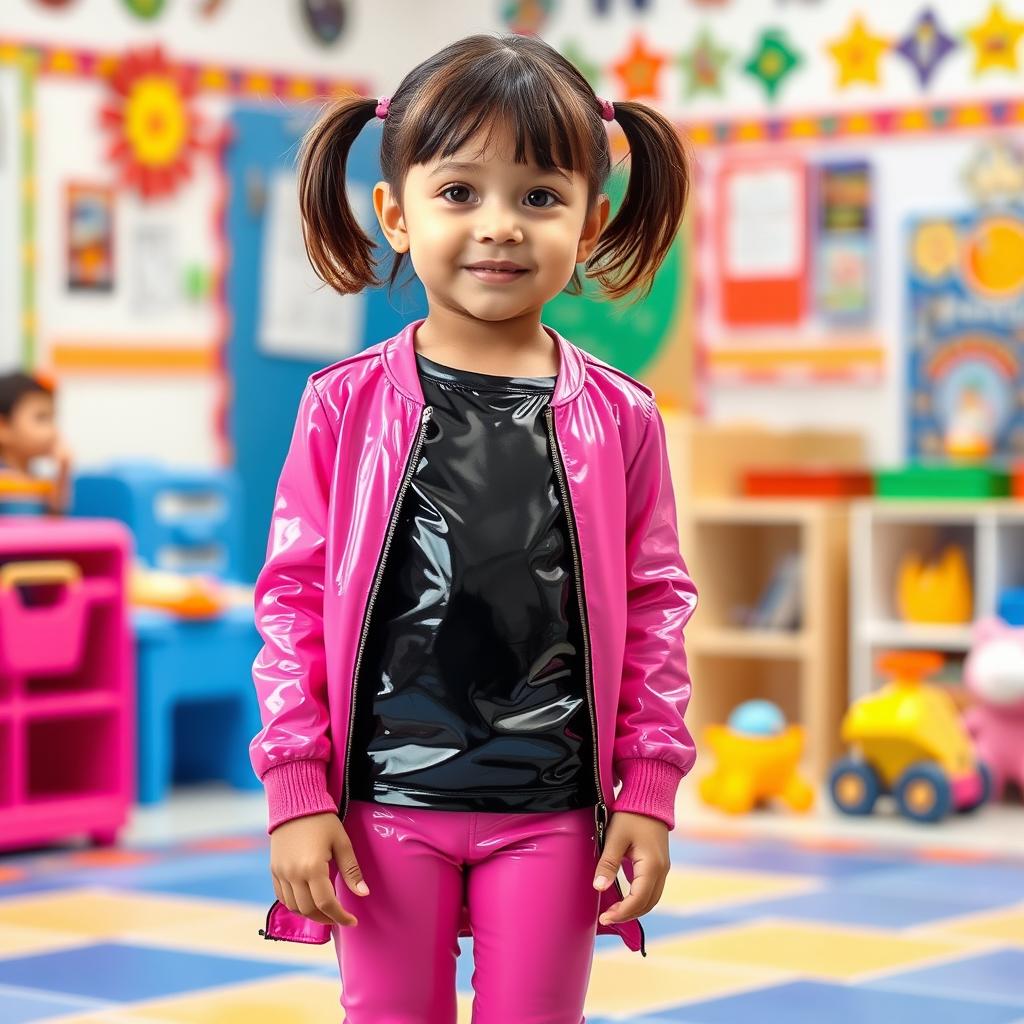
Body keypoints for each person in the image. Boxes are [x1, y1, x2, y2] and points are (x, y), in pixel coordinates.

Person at [250, 31, 697, 1023]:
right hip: (382, 806)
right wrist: (298, 791)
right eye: (460, 192)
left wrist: (648, 790)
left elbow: (659, 606)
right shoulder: (342, 404)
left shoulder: (620, 416)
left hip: (550, 810)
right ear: (394, 213)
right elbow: (289, 602)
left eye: (539, 196)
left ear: (590, 222)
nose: (499, 225)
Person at [0, 371, 72, 514]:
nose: (53, 430)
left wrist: (64, 470)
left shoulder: (40, 480)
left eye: (52, 419)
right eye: (41, 418)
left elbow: (55, 522)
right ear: (3, 428)